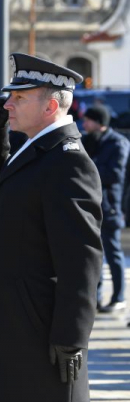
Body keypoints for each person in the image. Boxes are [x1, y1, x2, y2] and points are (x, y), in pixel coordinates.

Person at [0, 53, 102, 402]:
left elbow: (82, 261)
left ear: (50, 105)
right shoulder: (34, 149)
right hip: (17, 326)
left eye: (19, 98)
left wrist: (71, 337)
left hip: (43, 334)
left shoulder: (68, 162)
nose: (7, 104)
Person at [81, 104, 129, 313]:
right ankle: (96, 298)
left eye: (88, 120)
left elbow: (115, 175)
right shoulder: (88, 141)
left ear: (99, 123)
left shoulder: (118, 143)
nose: (84, 124)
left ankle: (118, 297)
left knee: (113, 253)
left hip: (109, 207)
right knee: (93, 255)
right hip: (89, 206)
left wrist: (88, 169)